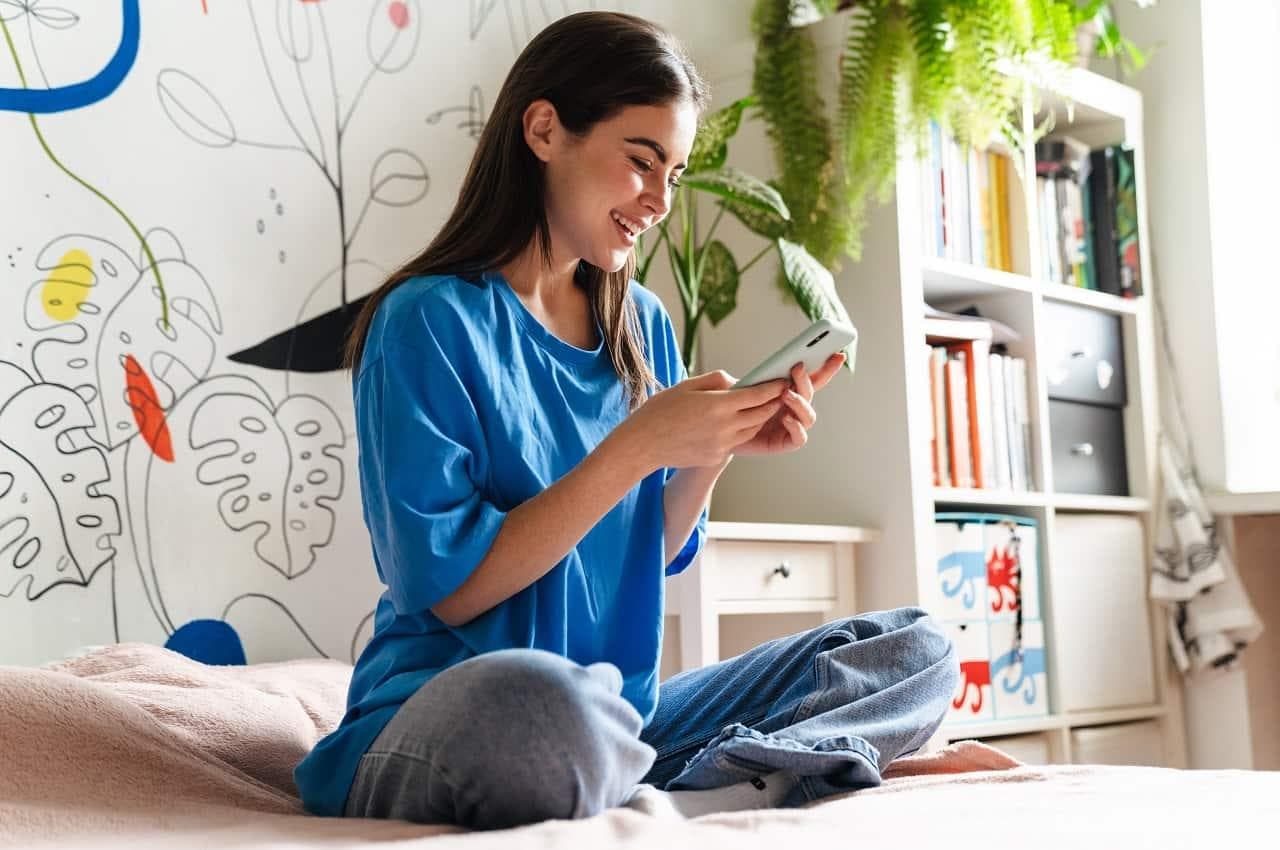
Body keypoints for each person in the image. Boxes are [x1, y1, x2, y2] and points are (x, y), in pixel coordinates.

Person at [293, 10, 957, 832]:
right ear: (544, 129)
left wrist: (715, 449)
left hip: (618, 723)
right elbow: (451, 592)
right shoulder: (427, 321)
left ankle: (675, 790)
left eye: (674, 175)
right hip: (455, 713)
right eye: (642, 161)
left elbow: (661, 548)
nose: (658, 200)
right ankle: (737, 780)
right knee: (541, 703)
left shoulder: (641, 327)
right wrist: (635, 448)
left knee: (912, 651)